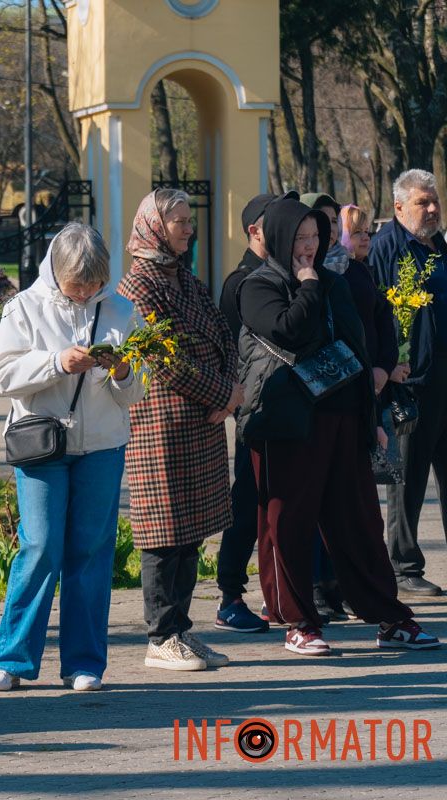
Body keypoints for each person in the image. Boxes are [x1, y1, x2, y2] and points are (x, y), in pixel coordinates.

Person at [235, 197, 439, 655]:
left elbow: (357, 350)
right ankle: (299, 623)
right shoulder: (257, 286)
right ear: (282, 239)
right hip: (288, 424)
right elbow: (289, 330)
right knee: (288, 523)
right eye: (301, 239)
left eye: (316, 238)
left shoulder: (335, 282)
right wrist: (308, 285)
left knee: (359, 521)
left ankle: (390, 618)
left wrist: (372, 421)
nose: (309, 247)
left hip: (342, 419)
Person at [0, 224, 144, 693]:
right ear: (56, 271)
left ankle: (84, 663)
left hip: (102, 446)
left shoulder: (120, 310)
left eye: (95, 284)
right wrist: (57, 362)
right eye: (77, 285)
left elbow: (136, 391)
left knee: (91, 553)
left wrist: (124, 369)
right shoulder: (24, 308)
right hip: (41, 443)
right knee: (40, 546)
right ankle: (11, 659)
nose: (86, 293)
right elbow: (2, 374)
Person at [118, 189, 240, 673]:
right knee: (163, 531)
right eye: (180, 222)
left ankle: (181, 629)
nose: (190, 229)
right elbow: (163, 359)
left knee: (189, 531)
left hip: (201, 421)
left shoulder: (184, 278)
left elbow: (223, 335)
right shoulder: (139, 287)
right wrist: (221, 395)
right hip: (162, 425)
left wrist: (230, 389)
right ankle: (160, 634)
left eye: (190, 220)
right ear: (155, 226)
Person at [304, 194, 400, 622]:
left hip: (363, 390)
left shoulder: (358, 271)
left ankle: (350, 590)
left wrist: (382, 365)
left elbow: (379, 322)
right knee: (324, 502)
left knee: (357, 503)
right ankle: (320, 588)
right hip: (329, 397)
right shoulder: (323, 275)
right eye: (353, 231)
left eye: (365, 233)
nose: (361, 239)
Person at [213, 193, 292, 634]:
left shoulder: (284, 275)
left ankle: (281, 590)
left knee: (278, 502)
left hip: (284, 408)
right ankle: (229, 594)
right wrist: (235, 399)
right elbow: (231, 348)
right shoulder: (242, 280)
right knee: (248, 500)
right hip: (254, 410)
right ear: (255, 231)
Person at [370, 169, 447, 597]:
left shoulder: (439, 246)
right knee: (409, 478)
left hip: (445, 378)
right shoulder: (387, 249)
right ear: (399, 208)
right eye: (423, 203)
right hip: (410, 382)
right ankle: (403, 565)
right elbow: (379, 313)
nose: (433, 209)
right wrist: (388, 363)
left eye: (435, 200)